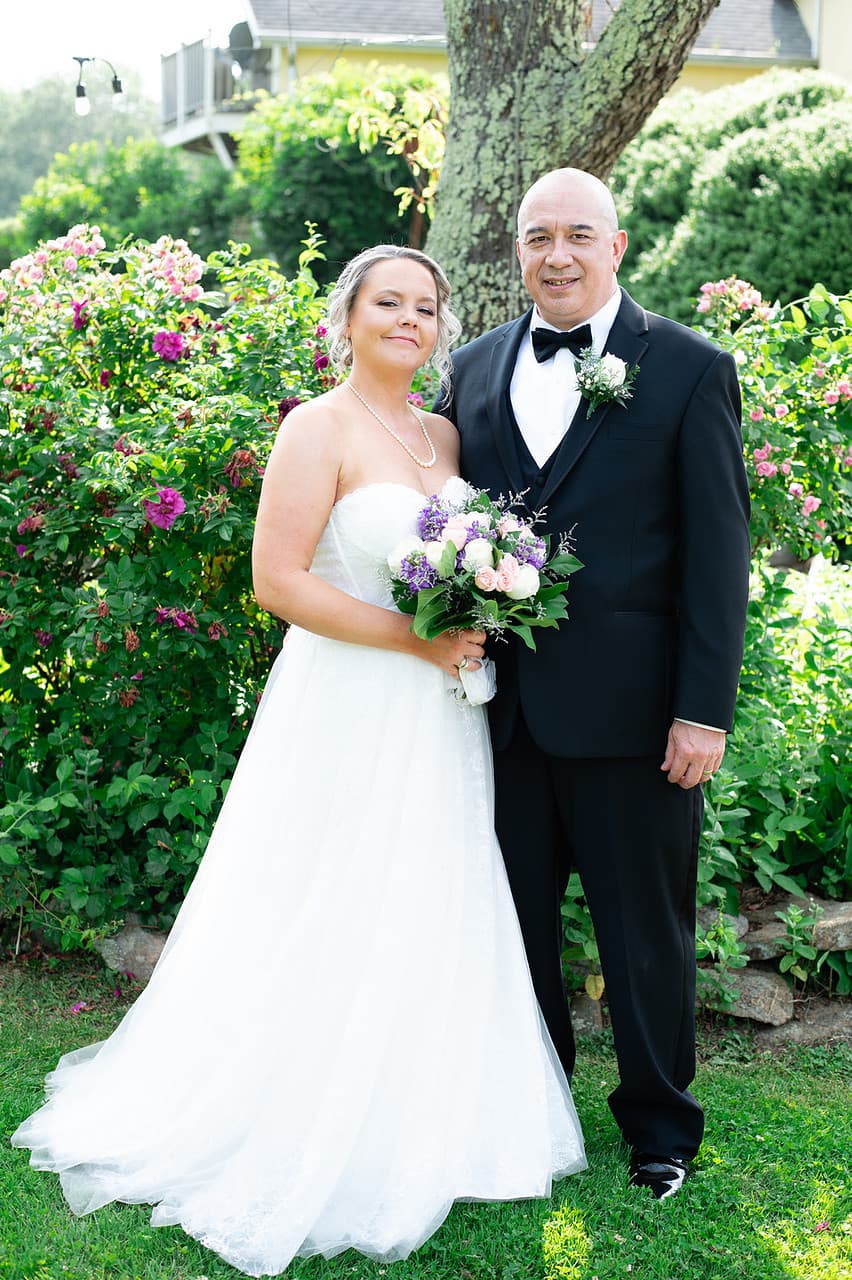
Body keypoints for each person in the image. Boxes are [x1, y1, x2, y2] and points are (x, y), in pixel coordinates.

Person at [12, 245, 585, 1278]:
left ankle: (430, 1110)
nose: (410, 320)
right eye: (389, 303)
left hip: (439, 711)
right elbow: (276, 580)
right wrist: (414, 636)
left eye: (425, 307)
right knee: (331, 888)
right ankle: (300, 1103)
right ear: (350, 315)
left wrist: (479, 602)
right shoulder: (315, 429)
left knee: (429, 888)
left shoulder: (441, 431)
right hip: (348, 703)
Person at [440, 169, 751, 1200]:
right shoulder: (475, 368)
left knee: (644, 939)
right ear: (517, 251)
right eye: (539, 236)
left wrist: (703, 707)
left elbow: (717, 554)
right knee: (514, 926)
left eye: (579, 234)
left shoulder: (689, 370)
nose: (558, 254)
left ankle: (659, 1129)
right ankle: (536, 1114)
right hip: (504, 719)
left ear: (617, 246)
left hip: (637, 720)